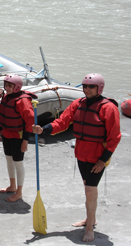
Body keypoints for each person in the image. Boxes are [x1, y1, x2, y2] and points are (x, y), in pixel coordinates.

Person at [32, 73, 121, 242]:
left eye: (91, 87)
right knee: (88, 187)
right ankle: (91, 218)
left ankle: (89, 227)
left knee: (90, 189)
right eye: (85, 86)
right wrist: (44, 129)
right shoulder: (77, 104)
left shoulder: (108, 108)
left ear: (99, 88)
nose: (87, 89)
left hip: (98, 157)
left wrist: (103, 160)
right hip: (82, 154)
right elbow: (62, 122)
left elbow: (115, 137)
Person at [0, 74, 37, 202]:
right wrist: (1, 132)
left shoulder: (23, 100)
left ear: (17, 87)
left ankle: (19, 192)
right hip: (7, 134)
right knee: (9, 160)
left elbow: (29, 121)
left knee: (18, 163)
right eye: (6, 85)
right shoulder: (6, 97)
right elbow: (4, 117)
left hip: (18, 137)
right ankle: (12, 186)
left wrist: (25, 141)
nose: (7, 88)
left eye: (10, 86)